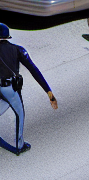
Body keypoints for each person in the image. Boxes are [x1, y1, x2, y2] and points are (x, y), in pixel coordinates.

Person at [0, 22, 58, 155]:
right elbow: (34, 70)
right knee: (19, 113)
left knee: (3, 103)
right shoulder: (18, 50)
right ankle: (20, 146)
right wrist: (49, 92)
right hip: (10, 88)